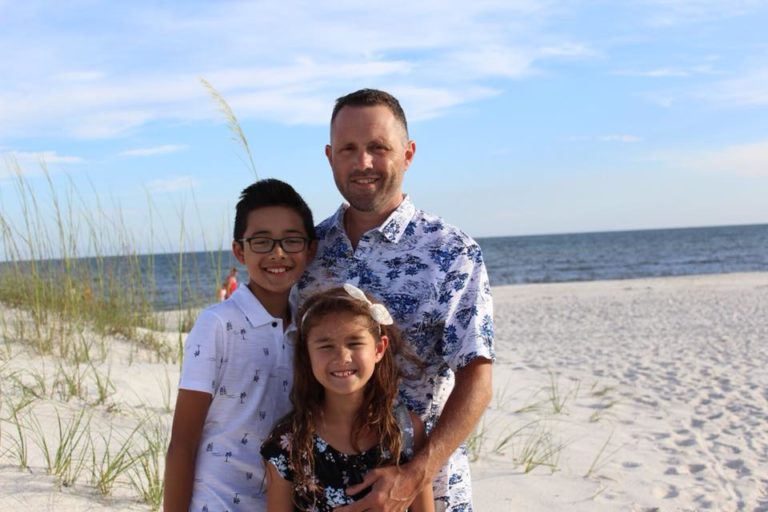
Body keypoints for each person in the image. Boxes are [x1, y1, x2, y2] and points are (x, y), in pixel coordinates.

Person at [297, 89, 495, 511]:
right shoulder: (308, 252)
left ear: (408, 153)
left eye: (378, 148)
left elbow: (477, 378)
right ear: (330, 156)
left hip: (425, 490)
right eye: (348, 149)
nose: (362, 162)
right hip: (323, 491)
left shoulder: (452, 252)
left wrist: (413, 475)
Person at [164, 178, 317, 511]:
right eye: (261, 242)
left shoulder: (309, 332)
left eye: (292, 241)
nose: (278, 253)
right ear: (239, 251)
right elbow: (182, 442)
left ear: (310, 249)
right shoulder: (217, 325)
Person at [260, 284, 434, 512]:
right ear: (306, 354)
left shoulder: (406, 430)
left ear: (379, 349)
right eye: (326, 346)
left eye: (354, 343)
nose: (342, 356)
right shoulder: (287, 442)